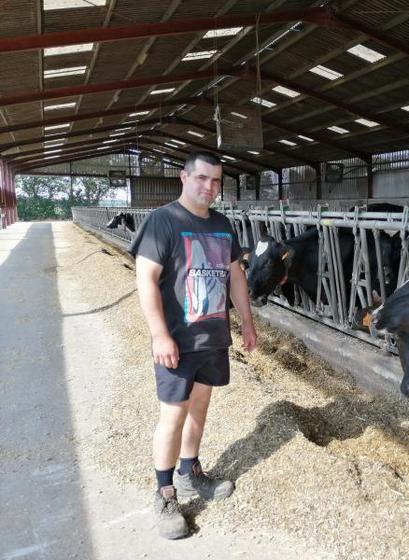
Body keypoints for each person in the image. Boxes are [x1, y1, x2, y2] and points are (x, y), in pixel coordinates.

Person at [129, 151, 257, 539]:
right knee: (172, 416)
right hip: (177, 342)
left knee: (199, 409)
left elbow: (235, 275)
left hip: (214, 338)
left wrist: (247, 323)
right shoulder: (162, 221)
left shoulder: (222, 224)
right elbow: (145, 279)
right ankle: (165, 492)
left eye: (216, 181)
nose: (209, 187)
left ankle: (190, 472)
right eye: (202, 178)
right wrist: (159, 334)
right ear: (184, 178)